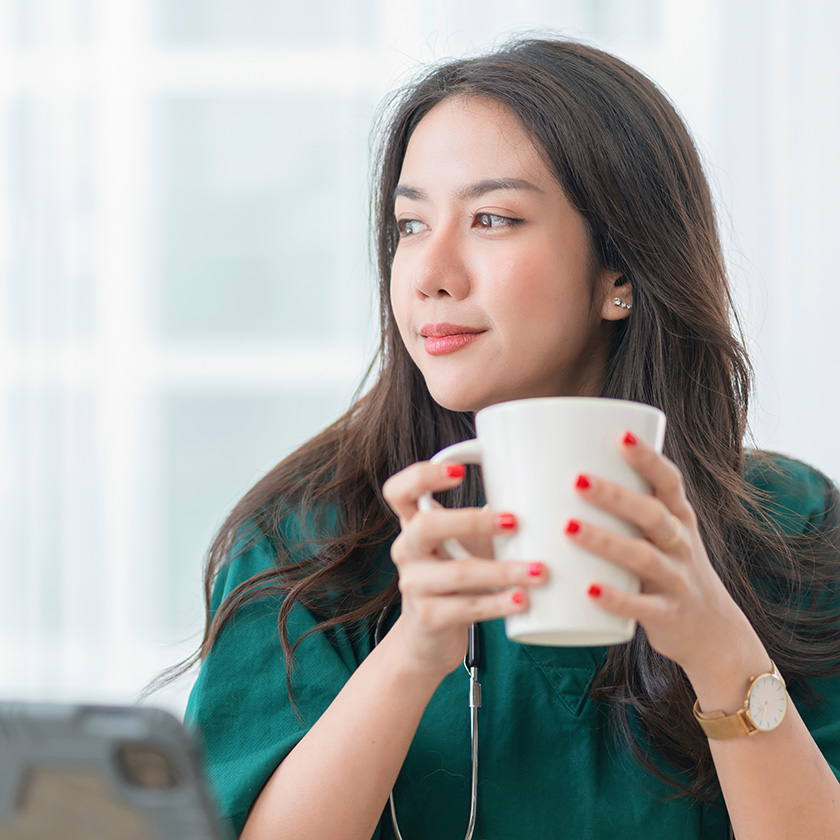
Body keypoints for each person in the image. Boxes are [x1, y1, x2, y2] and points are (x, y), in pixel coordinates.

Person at [181, 38, 840, 839]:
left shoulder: (796, 528)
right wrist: (415, 651)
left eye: (492, 218)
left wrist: (718, 645)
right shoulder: (302, 538)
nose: (430, 272)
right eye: (411, 224)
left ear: (620, 276)